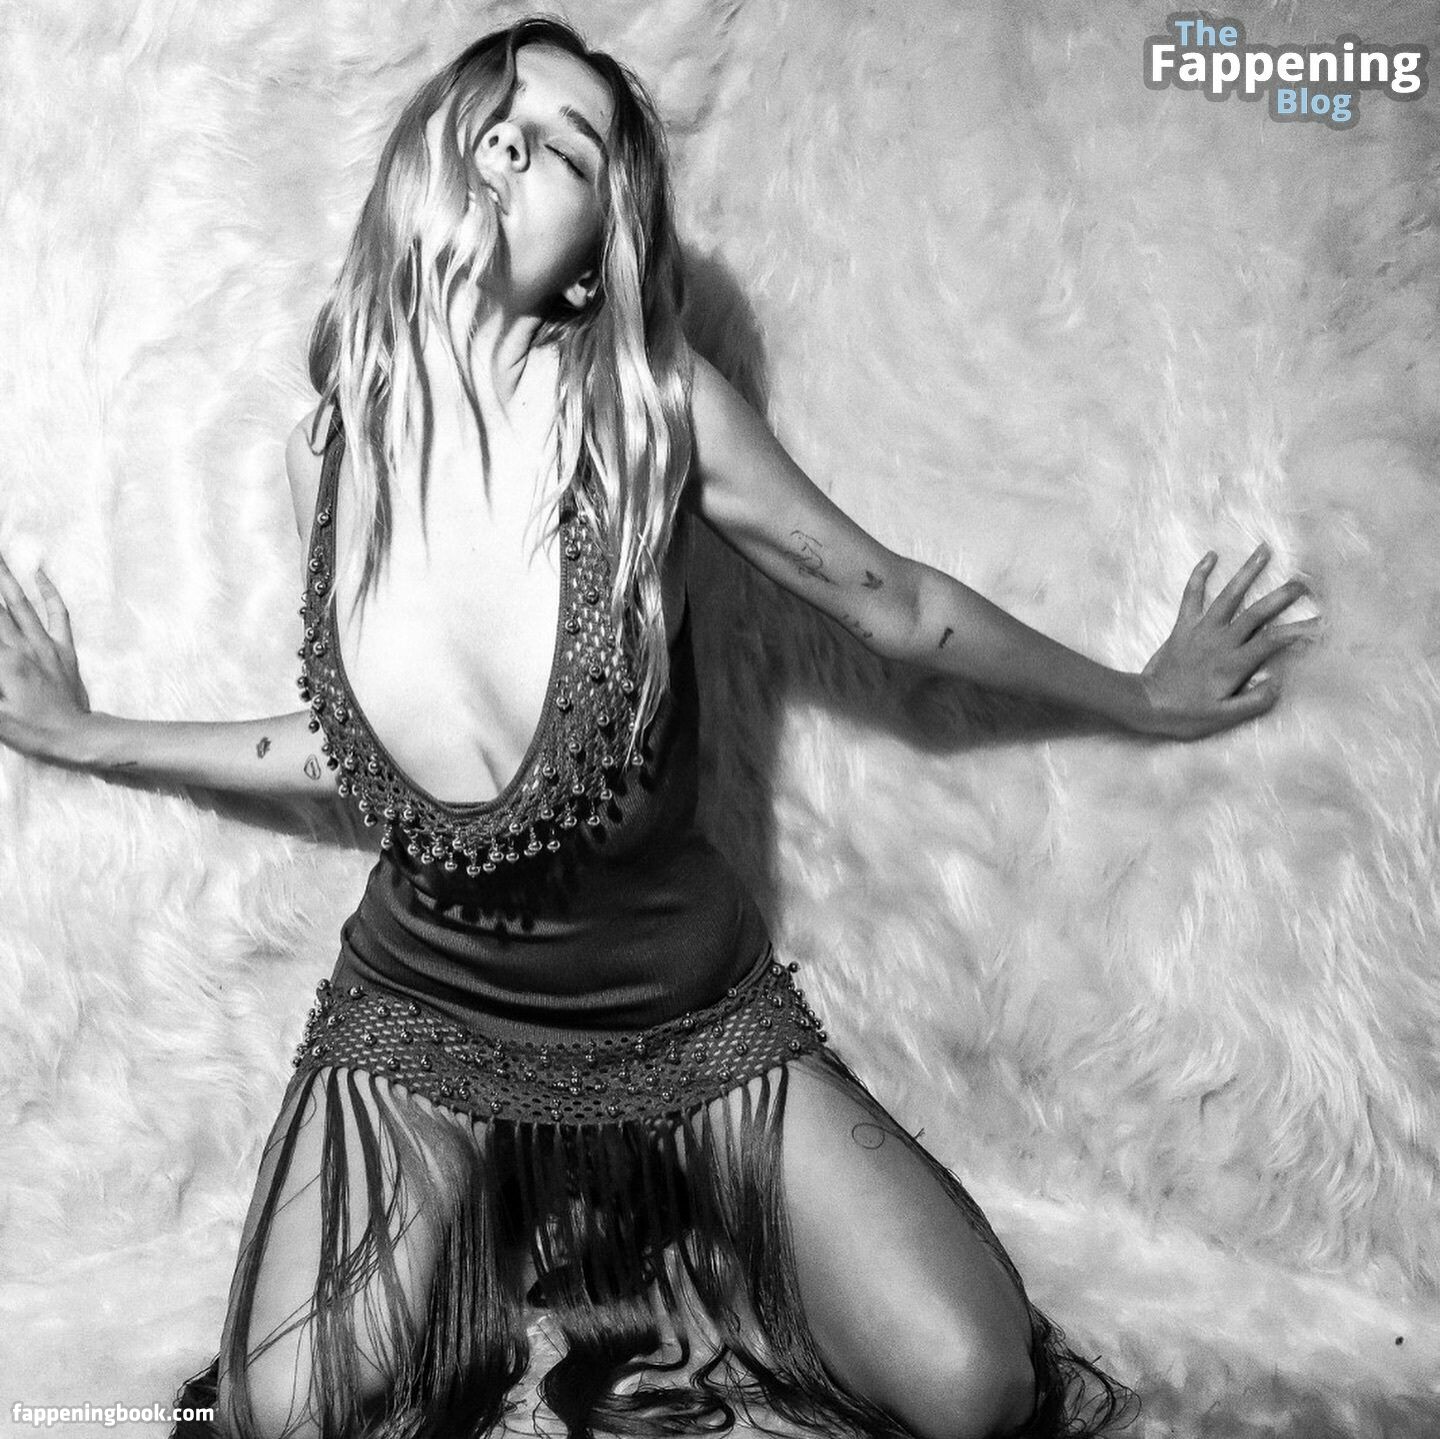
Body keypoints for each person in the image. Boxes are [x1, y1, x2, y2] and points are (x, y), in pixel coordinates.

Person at [0, 17, 1316, 1439]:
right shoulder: (337, 437)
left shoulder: (650, 411)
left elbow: (898, 606)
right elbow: (356, 748)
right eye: (494, 119)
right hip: (425, 1023)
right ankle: (507, 1227)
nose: (513, 150)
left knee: (971, 1387)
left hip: (680, 1022)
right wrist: (87, 734)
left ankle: (675, 1246)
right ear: (427, 157)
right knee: (288, 1416)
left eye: (565, 149)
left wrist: (1139, 693)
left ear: (597, 252)